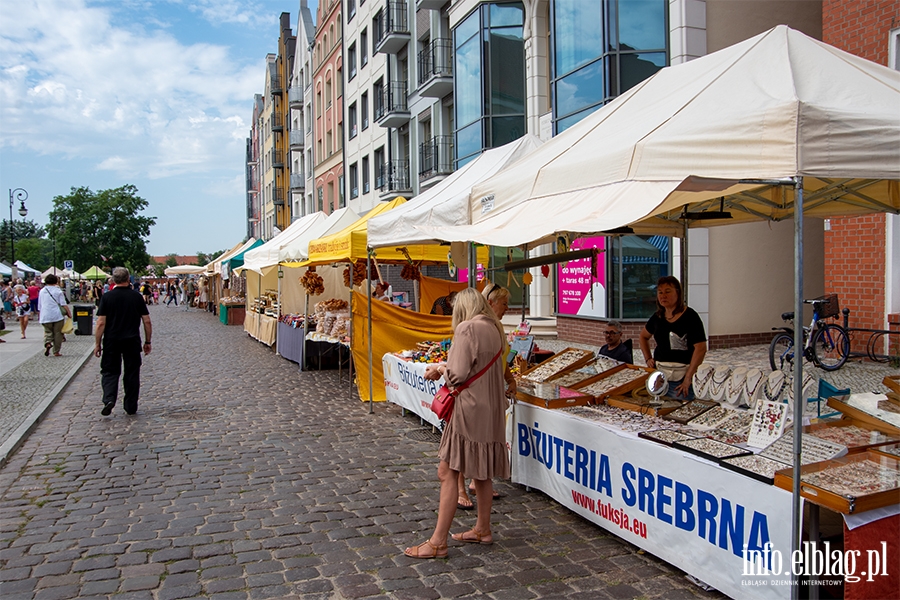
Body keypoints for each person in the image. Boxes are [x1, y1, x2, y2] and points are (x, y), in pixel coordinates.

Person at [406, 288, 509, 559]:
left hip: (470, 409)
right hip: (492, 408)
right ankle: (482, 528)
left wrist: (439, 369)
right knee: (482, 471)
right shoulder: (495, 328)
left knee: (447, 471)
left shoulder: (467, 328)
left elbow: (457, 375)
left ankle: (438, 542)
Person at [456, 282, 515, 510]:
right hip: (474, 394)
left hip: (491, 393)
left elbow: (499, 360)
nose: (507, 308)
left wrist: (510, 379)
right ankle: (461, 488)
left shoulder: (496, 328)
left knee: (482, 444)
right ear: (490, 303)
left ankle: (477, 484)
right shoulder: (471, 327)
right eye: (504, 304)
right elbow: (460, 369)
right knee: (464, 444)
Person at [95, 267, 152, 416]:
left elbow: (101, 322)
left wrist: (97, 343)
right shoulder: (136, 297)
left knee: (109, 371)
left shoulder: (107, 297)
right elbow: (147, 321)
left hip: (111, 340)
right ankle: (130, 405)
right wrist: (147, 341)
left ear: (113, 280)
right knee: (132, 373)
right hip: (132, 340)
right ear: (128, 279)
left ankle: (109, 399)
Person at [639, 276, 707, 400]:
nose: (663, 296)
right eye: (660, 292)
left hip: (682, 378)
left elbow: (701, 348)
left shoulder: (691, 317)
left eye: (667, 291)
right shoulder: (657, 317)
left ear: (678, 293)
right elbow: (643, 336)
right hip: (660, 376)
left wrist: (688, 379)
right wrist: (648, 358)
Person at [38, 274, 70, 356]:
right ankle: (56, 351)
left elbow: (40, 305)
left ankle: (48, 342)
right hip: (57, 315)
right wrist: (69, 313)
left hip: (45, 314)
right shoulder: (58, 291)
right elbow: (63, 304)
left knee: (48, 331)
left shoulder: (42, 291)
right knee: (58, 333)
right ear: (56, 281)